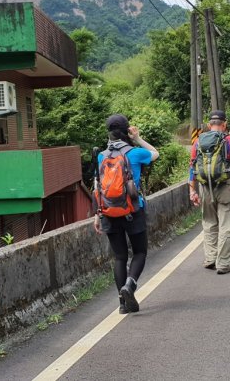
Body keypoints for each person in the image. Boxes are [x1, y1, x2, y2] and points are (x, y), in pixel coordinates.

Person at [93, 114, 159, 314]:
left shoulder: (101, 156)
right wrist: (138, 138)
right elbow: (155, 153)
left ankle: (122, 304)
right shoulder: (136, 153)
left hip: (108, 212)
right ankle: (129, 286)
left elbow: (97, 185)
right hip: (133, 210)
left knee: (120, 257)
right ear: (126, 130)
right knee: (139, 252)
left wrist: (98, 214)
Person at [189, 111, 230, 274]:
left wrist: (192, 189)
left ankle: (210, 258)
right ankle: (223, 263)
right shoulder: (229, 140)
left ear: (209, 125)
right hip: (225, 187)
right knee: (226, 224)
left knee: (209, 223)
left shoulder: (198, 141)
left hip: (205, 188)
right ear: (224, 124)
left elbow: (192, 165)